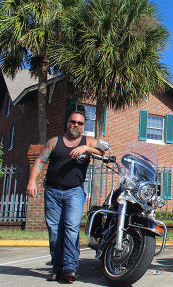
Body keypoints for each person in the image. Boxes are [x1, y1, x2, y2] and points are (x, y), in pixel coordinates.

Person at [26, 110, 104, 282]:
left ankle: (69, 268)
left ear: (84, 126)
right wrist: (32, 182)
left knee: (70, 229)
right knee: (54, 231)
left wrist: (86, 148)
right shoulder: (55, 142)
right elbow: (39, 161)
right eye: (73, 122)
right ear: (68, 123)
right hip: (52, 192)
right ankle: (57, 267)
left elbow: (106, 151)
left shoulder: (88, 141)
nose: (76, 125)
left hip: (74, 192)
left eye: (80, 123)